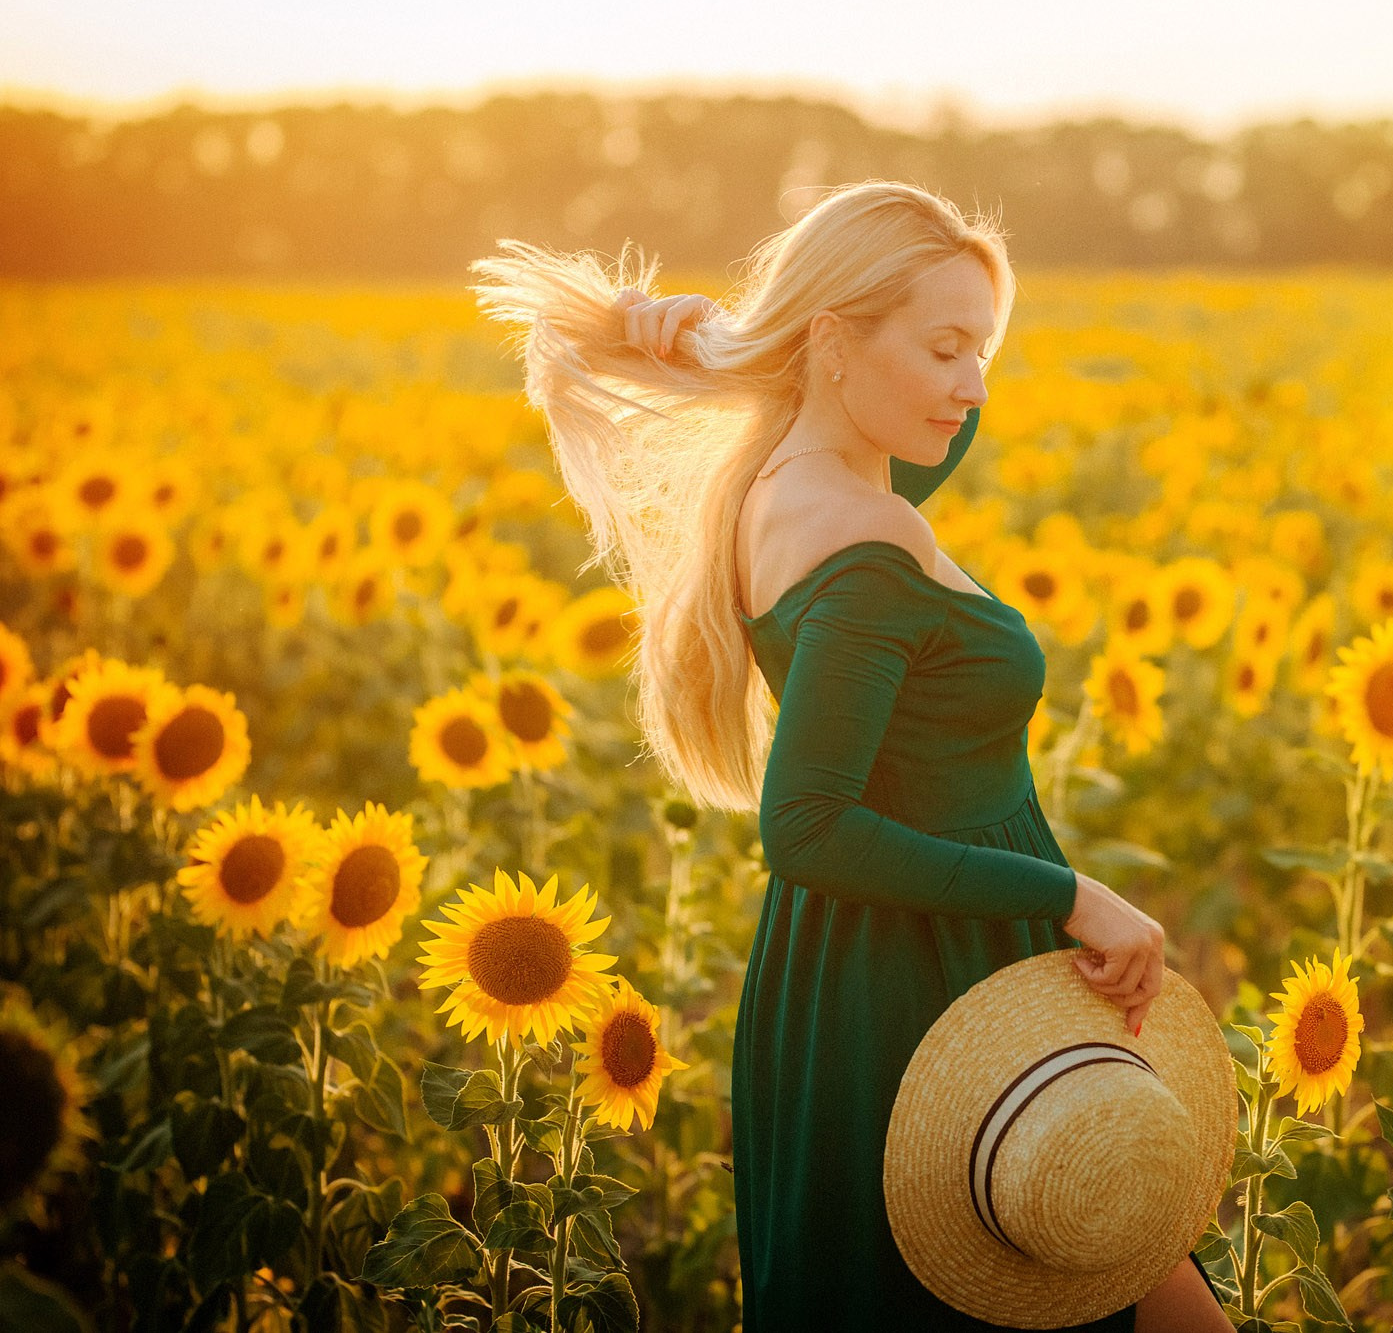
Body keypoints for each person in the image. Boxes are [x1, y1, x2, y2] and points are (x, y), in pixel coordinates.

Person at [468, 182, 1231, 1331]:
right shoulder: (867, 543)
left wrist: (711, 340)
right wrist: (1073, 892)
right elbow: (808, 825)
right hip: (923, 978)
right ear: (833, 342)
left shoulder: (788, 483)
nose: (971, 385)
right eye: (943, 347)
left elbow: (933, 431)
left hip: (895, 962)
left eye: (984, 349)